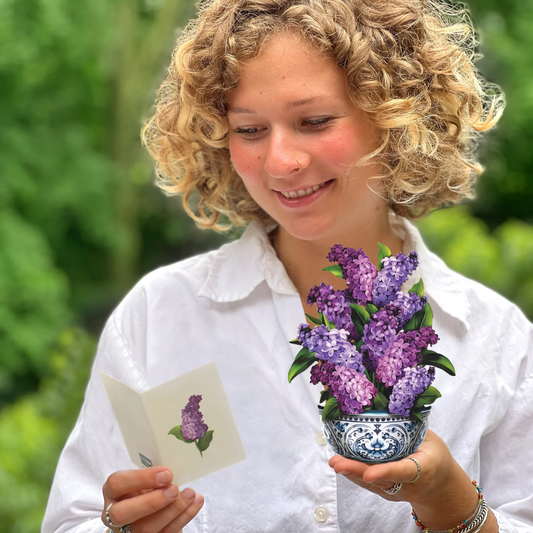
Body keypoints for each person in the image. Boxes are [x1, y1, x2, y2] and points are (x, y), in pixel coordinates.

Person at [42, 0, 533, 532]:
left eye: (314, 121)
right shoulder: (159, 316)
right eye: (249, 130)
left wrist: (457, 509)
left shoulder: (497, 340)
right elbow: (76, 518)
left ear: (396, 117)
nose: (280, 161)